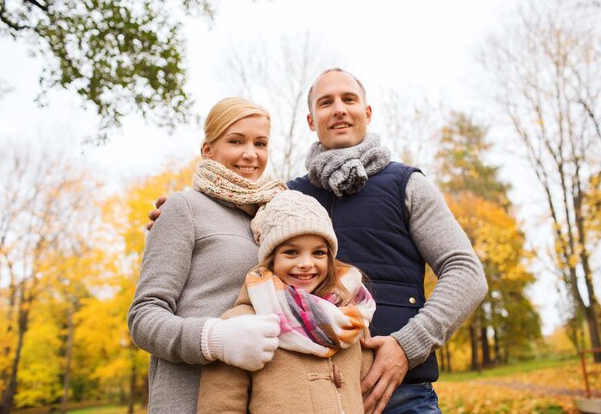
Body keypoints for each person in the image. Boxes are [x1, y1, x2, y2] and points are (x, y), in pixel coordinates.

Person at [148, 69, 488, 414]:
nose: (338, 109)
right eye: (326, 103)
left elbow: (466, 273)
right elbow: (226, 217)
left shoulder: (406, 185)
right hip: (308, 395)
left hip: (402, 391)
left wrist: (407, 346)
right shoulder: (284, 199)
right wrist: (177, 213)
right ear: (311, 120)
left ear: (367, 113)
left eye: (349, 99)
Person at [128, 97, 288, 413]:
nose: (250, 153)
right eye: (235, 141)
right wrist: (215, 339)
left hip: (265, 399)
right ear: (208, 150)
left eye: (260, 143)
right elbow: (143, 316)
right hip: (189, 400)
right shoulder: (182, 209)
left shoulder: (279, 217)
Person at [197, 190, 376, 413]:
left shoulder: (352, 319)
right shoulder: (241, 323)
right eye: (291, 252)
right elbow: (221, 406)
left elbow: (367, 397)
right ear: (271, 259)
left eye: (318, 253)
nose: (306, 263)